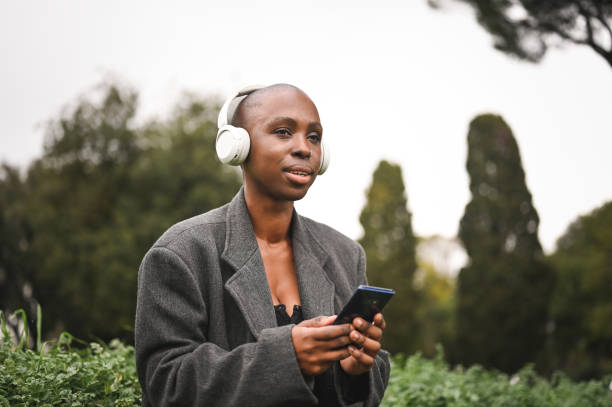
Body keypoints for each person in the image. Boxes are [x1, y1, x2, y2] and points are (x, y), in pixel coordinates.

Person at [135, 84, 391, 406]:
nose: (304, 148)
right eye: (283, 132)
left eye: (314, 137)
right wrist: (288, 358)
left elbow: (369, 382)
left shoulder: (346, 254)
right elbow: (165, 382)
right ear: (237, 146)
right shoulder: (181, 253)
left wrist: (353, 371)